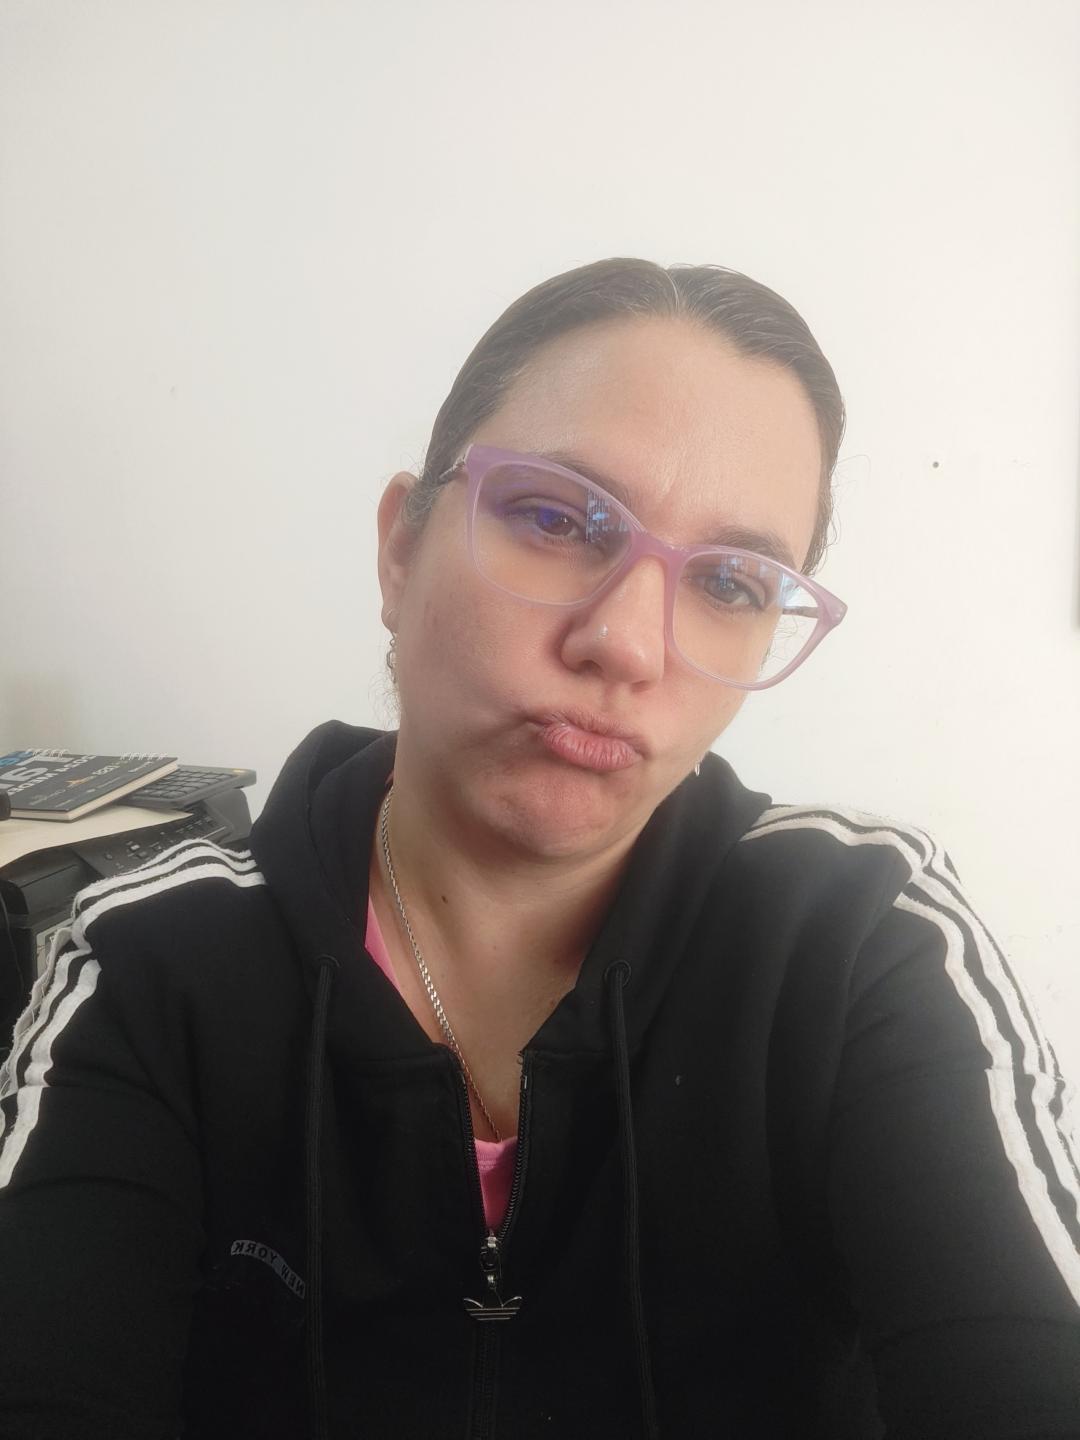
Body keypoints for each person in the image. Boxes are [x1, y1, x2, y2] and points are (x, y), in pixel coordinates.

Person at [1, 257, 1078, 1440]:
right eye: (558, 520)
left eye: (730, 582)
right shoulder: (151, 962)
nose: (627, 644)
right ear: (400, 550)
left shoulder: (864, 941)